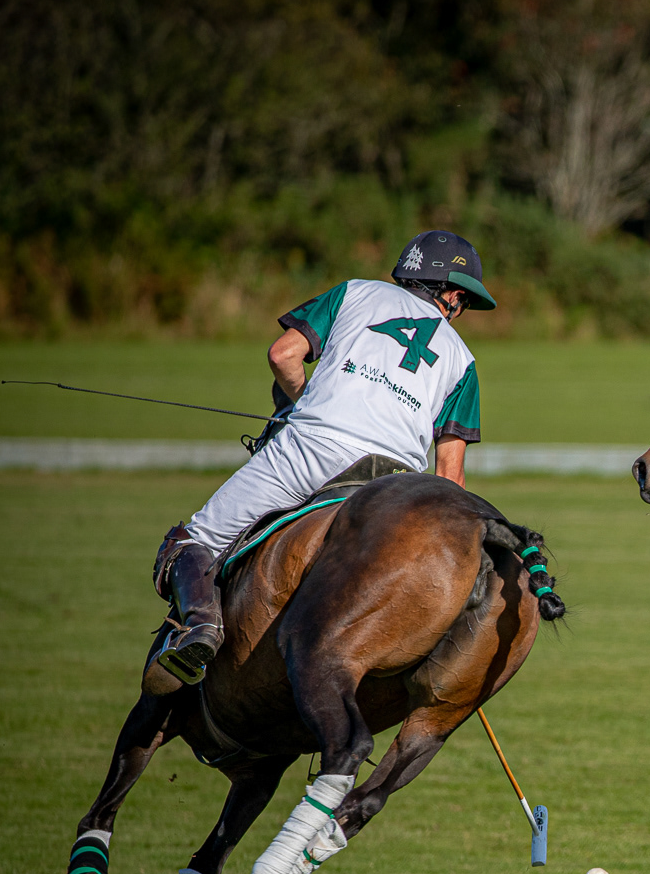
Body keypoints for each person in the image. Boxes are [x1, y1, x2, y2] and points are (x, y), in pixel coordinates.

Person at [146, 231, 494, 692]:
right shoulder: (462, 360)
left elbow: (283, 354)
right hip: (391, 483)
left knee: (193, 540)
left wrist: (306, 402)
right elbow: (450, 477)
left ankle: (201, 629)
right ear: (447, 292)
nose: (460, 309)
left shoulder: (355, 292)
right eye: (462, 299)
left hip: (311, 451)